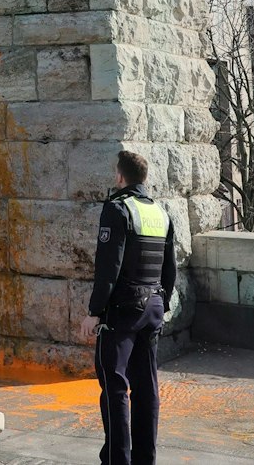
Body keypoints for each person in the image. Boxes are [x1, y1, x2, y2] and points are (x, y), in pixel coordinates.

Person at [84, 150, 177, 465]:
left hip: (123, 311)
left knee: (115, 386)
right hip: (152, 307)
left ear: (120, 176)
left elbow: (108, 267)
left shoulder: (117, 209)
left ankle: (116, 460)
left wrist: (94, 312)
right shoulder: (161, 213)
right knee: (146, 387)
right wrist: (160, 305)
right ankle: (144, 460)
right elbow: (170, 270)